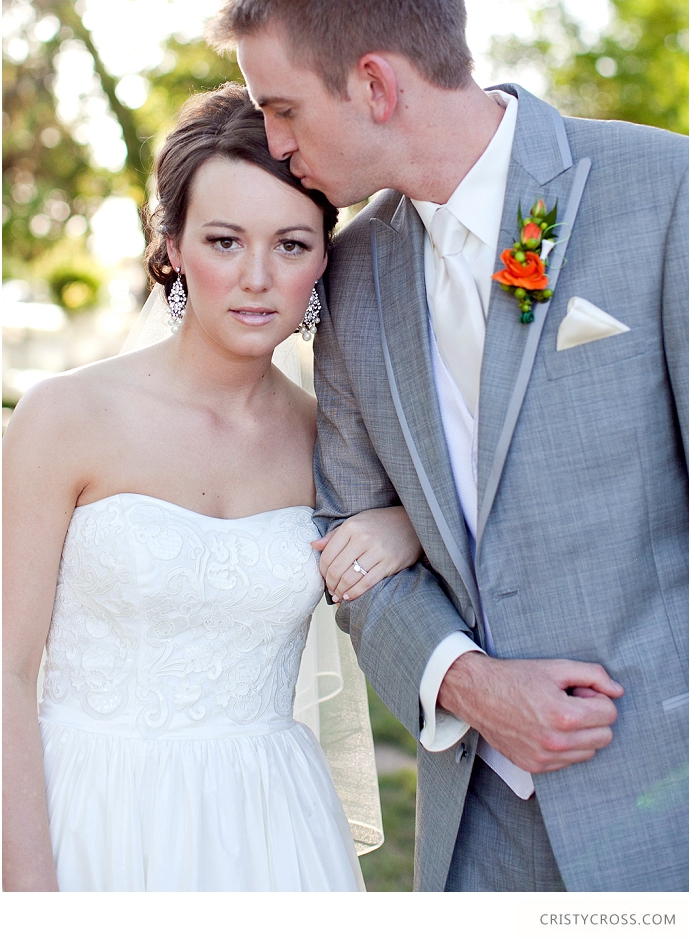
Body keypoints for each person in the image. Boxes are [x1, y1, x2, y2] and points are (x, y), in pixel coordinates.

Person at [207, 0, 689, 892]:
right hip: (474, 837)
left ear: (376, 84)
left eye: (284, 108)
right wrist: (466, 685)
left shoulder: (667, 195)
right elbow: (346, 528)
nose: (272, 141)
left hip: (665, 814)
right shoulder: (351, 276)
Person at [2, 83, 423, 892]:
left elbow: (458, 530)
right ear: (174, 248)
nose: (257, 278)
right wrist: (29, 901)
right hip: (86, 813)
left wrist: (401, 524)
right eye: (225, 241)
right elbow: (6, 673)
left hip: (267, 832)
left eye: (292, 244)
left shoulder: (335, 441)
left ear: (325, 258)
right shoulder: (66, 417)